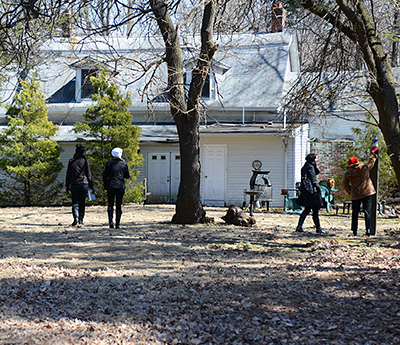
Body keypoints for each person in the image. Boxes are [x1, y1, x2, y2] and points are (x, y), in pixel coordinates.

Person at [343, 149, 378, 236]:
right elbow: (371, 162)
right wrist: (373, 154)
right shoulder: (363, 168)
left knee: (355, 213)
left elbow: (345, 184)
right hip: (367, 192)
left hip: (355, 194)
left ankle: (354, 230)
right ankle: (368, 230)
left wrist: (350, 191)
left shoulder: (348, 173)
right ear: (357, 162)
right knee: (367, 211)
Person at [295, 153, 328, 234]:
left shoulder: (305, 166)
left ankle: (299, 226)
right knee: (315, 211)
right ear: (313, 159)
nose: (317, 160)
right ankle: (318, 229)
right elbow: (313, 179)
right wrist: (318, 188)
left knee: (306, 210)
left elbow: (316, 172)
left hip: (307, 191)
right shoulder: (310, 167)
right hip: (312, 192)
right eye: (316, 158)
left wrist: (315, 165)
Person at [66, 144, 93, 226]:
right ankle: (81, 219)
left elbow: (68, 175)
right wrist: (91, 186)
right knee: (82, 202)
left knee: (75, 202)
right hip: (84, 183)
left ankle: (76, 218)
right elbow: (89, 175)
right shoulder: (85, 161)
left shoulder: (71, 161)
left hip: (74, 183)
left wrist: (67, 185)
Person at [103, 147, 130, 229]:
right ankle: (117, 223)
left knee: (110, 204)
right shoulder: (123, 164)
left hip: (111, 185)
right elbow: (127, 176)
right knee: (118, 205)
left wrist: (105, 185)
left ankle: (110, 221)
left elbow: (105, 176)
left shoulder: (108, 163)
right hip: (120, 185)